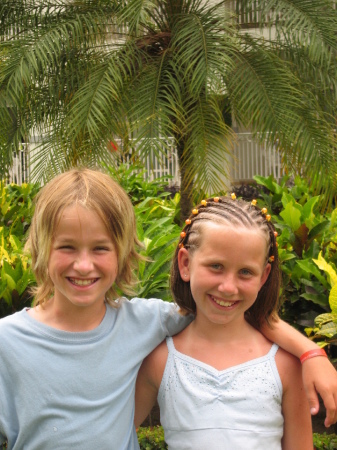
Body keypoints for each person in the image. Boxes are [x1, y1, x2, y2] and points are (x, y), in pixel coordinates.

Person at [0, 169, 335, 450]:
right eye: (67, 247)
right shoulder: (7, 342)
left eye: (100, 248)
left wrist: (310, 354)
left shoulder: (145, 323)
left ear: (122, 253)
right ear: (42, 249)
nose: (84, 265)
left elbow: (228, 313)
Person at [134, 196, 317, 449]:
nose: (228, 287)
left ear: (263, 276)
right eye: (216, 266)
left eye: (245, 272)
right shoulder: (160, 360)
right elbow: (113, 433)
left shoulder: (286, 366)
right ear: (185, 263)